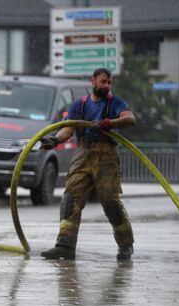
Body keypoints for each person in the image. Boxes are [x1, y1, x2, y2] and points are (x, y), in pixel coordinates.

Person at [40, 67, 136, 261]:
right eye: (103, 82)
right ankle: (65, 246)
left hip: (107, 155)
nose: (107, 86)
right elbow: (67, 130)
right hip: (83, 153)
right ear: (93, 82)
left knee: (109, 200)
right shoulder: (79, 106)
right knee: (70, 197)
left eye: (109, 83)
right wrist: (54, 141)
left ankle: (126, 244)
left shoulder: (115, 103)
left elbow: (130, 119)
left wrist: (110, 123)